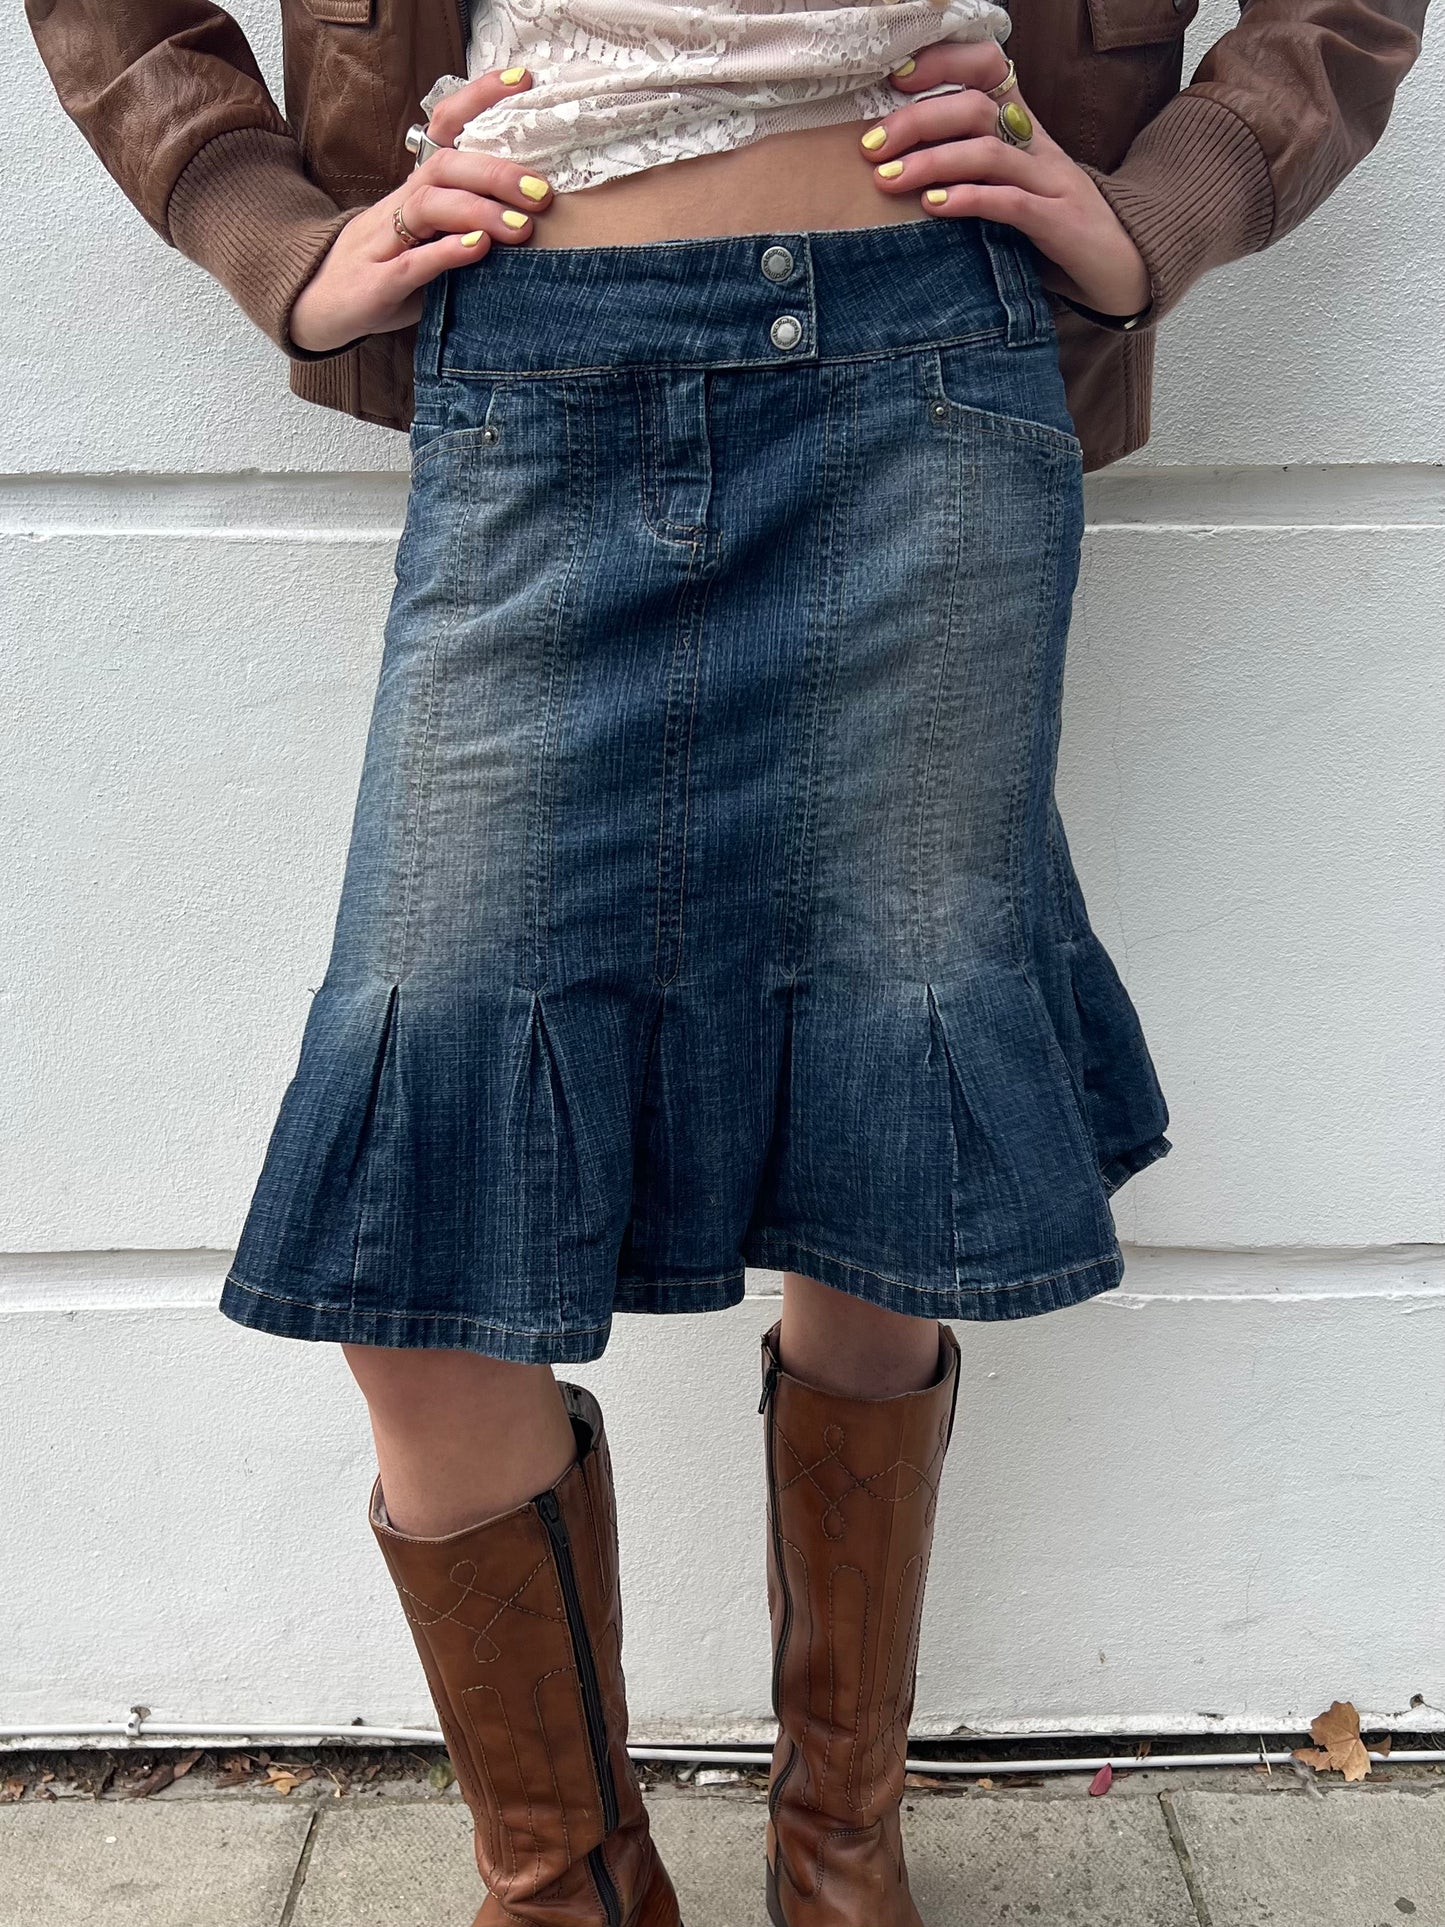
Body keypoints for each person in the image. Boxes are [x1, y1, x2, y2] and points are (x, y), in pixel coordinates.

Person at [28, 0, 1424, 1922]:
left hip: (932, 361)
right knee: (417, 1215)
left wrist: (1166, 205)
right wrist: (265, 228)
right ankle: (571, 1888)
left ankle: (837, 1849)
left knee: (884, 1160)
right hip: (533, 361)